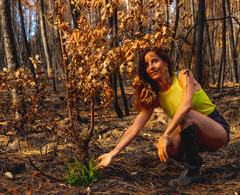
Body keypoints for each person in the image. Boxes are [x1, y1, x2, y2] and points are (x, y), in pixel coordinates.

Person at [98, 47, 230, 187]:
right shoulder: (156, 96)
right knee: (167, 147)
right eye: (147, 65)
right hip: (195, 136)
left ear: (166, 62)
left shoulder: (184, 75)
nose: (151, 67)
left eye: (154, 61)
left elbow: (186, 106)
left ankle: (192, 173)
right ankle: (194, 161)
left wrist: (165, 134)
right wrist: (113, 153)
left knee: (185, 116)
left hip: (217, 130)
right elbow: (135, 127)